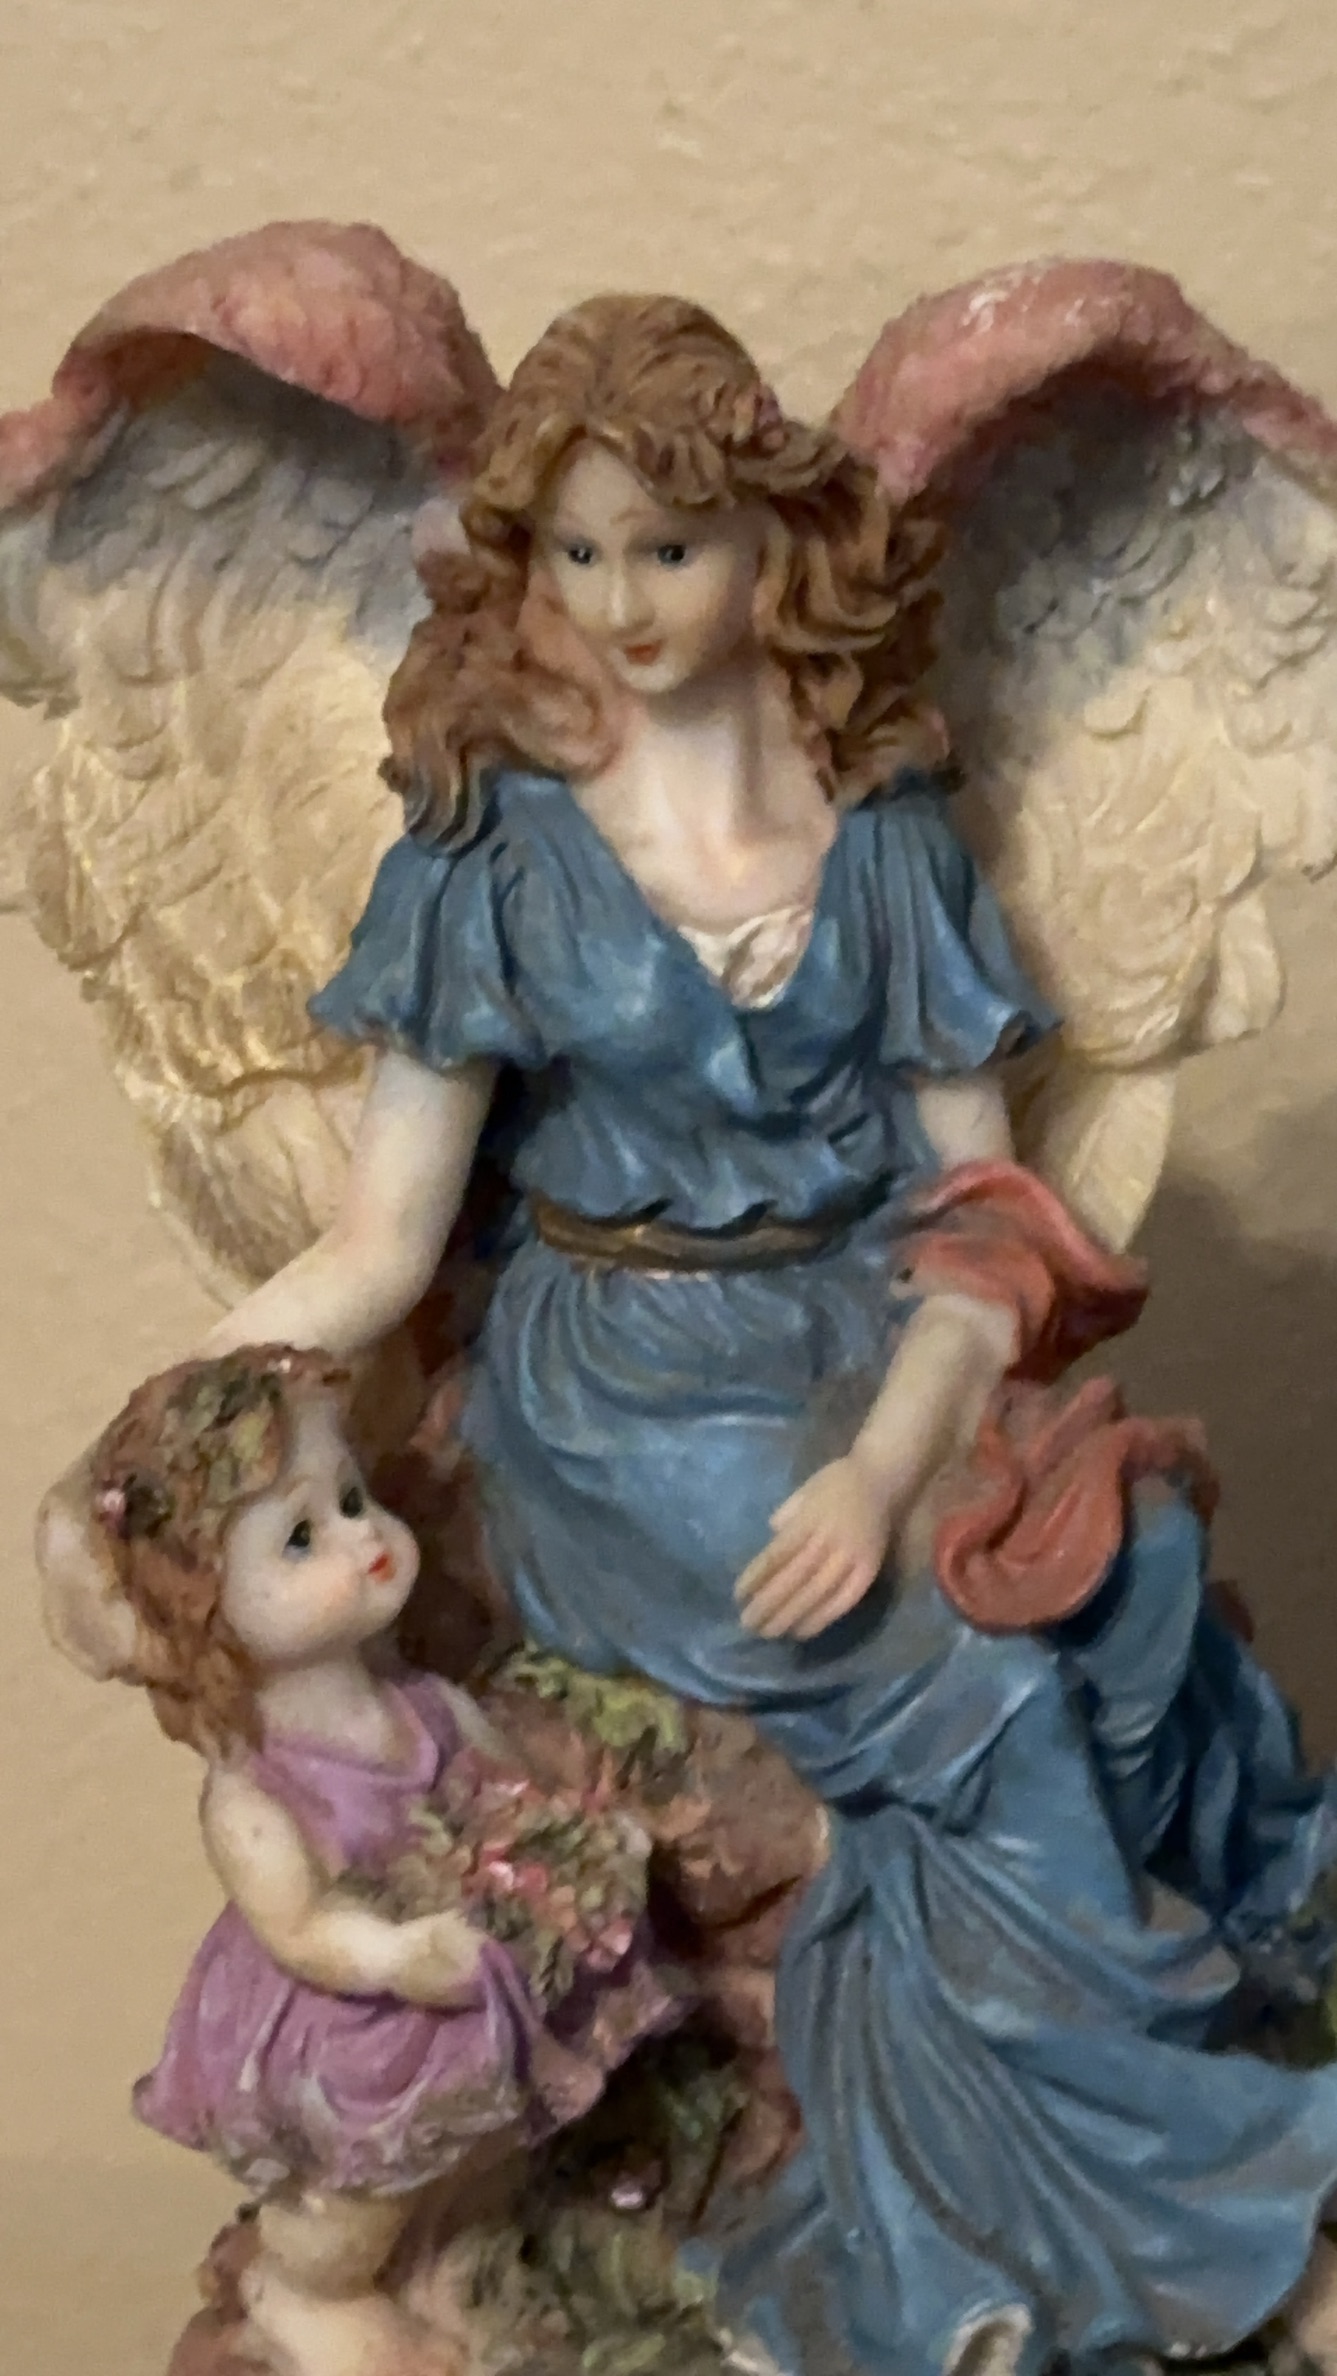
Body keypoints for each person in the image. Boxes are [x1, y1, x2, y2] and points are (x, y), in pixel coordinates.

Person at [41, 294, 1337, 2376]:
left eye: (667, 545)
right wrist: (135, 1458)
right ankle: (1140, 2225)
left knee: (1134, 1571)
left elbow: (975, 1224)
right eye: (574, 551)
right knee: (984, 1690)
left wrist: (884, 1467)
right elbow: (379, 1246)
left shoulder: (884, 836)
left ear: (767, 545)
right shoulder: (491, 850)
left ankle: (1136, 2195)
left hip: (866, 1354)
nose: (622, 600)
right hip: (620, 1394)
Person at [86, 1345, 678, 2376]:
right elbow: (300, 1928)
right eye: (302, 1537)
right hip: (350, 2025)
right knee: (352, 2194)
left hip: (470, 1963)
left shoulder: (423, 1706)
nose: (361, 1537)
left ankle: (462, 2237)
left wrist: (576, 1837)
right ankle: (306, 2294)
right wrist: (396, 1958)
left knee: (477, 2137)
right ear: (204, 1607)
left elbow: (503, 1789)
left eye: (353, 1500)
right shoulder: (254, 1794)